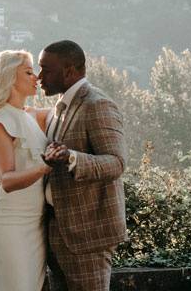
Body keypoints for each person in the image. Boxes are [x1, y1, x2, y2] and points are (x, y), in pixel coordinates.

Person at [0, 49, 68, 291]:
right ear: (9, 76)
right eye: (28, 71)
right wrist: (45, 166)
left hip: (35, 226)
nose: (36, 77)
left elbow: (73, 112)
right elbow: (7, 180)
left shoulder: (30, 116)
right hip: (9, 225)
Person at [39, 40, 127, 291]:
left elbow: (116, 163)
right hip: (58, 233)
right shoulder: (59, 108)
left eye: (47, 69)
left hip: (88, 235)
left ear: (69, 70)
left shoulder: (97, 104)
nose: (40, 76)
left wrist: (73, 158)